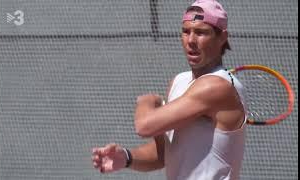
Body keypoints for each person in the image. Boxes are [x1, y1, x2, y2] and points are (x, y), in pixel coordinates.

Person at [92, 0, 248, 179]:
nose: (191, 40)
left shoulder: (217, 86)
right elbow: (165, 154)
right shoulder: (179, 81)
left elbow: (144, 126)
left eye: (201, 33)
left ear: (222, 37)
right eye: (186, 31)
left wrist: (147, 102)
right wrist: (127, 157)